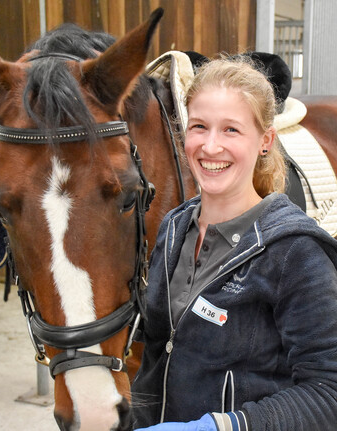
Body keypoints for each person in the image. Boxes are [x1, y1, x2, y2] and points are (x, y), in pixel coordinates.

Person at [131, 56, 337, 431]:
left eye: (231, 130)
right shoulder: (174, 228)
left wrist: (220, 427)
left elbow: (329, 393)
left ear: (265, 141)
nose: (210, 146)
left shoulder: (296, 252)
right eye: (199, 126)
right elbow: (160, 347)